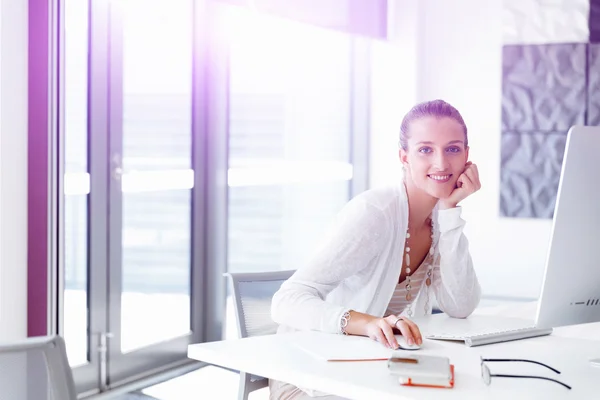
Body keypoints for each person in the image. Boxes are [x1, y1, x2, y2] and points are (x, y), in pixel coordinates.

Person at [269, 99, 482, 399]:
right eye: (425, 149)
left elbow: (460, 306)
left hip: (372, 376)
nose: (441, 163)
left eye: (452, 149)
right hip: (309, 378)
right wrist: (365, 323)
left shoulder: (439, 218)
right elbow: (286, 301)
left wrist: (450, 210)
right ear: (404, 157)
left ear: (467, 157)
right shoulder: (374, 214)